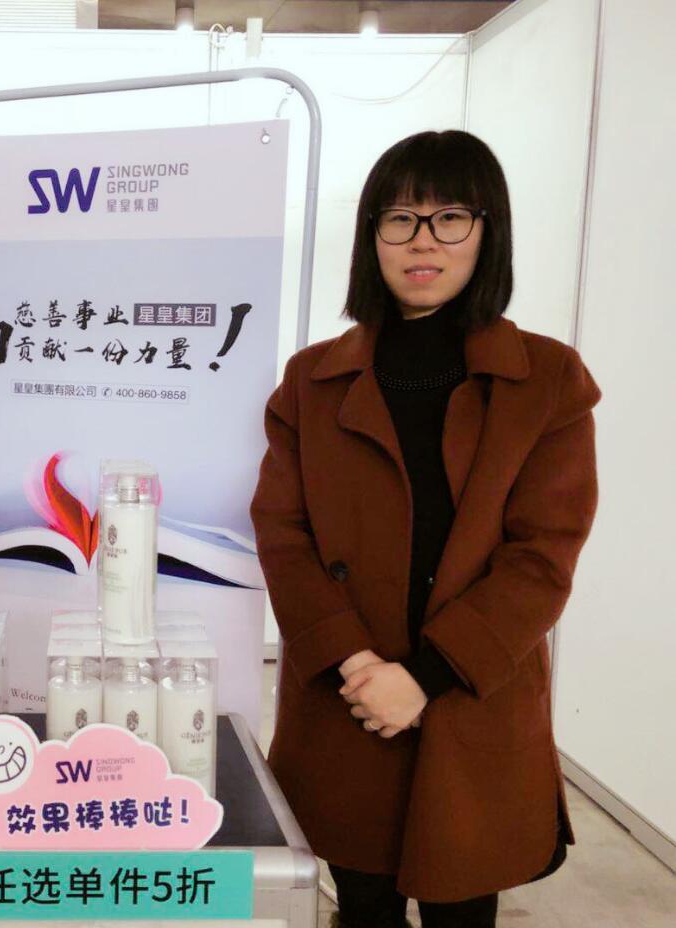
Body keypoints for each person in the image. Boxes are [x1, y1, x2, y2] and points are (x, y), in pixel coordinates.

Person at [251, 131, 598, 927]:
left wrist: (425, 676)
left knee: (462, 907)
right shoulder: (311, 379)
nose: (422, 241)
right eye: (399, 218)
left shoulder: (546, 380)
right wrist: (357, 663)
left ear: (487, 231)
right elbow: (281, 531)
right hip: (349, 697)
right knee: (361, 906)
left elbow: (543, 554)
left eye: (449, 217)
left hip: (471, 694)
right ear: (370, 235)